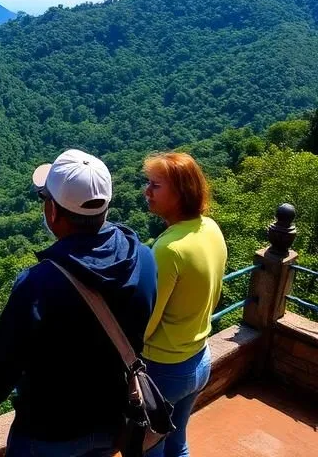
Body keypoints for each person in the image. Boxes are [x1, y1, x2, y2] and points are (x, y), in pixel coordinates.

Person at [0, 149, 157, 457]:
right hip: (112, 420)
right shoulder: (145, 260)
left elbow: (6, 356)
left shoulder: (38, 283)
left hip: (47, 431)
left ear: (53, 212)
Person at [141, 152, 227, 457]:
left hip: (164, 370)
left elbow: (147, 324)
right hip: (199, 359)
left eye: (155, 185)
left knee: (148, 449)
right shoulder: (210, 228)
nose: (146, 191)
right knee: (177, 445)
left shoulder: (168, 249)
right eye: (147, 183)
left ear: (181, 193)